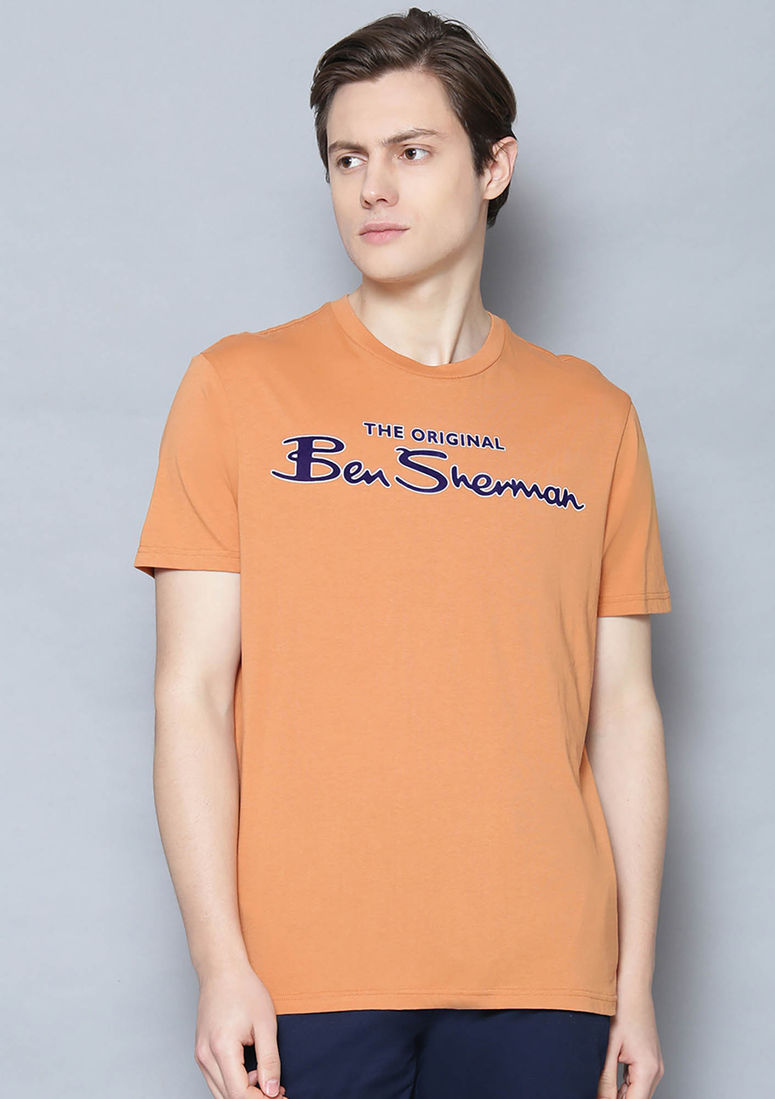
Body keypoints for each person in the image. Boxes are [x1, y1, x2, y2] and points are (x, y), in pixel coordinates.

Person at [133, 8, 671, 1099]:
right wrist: (221, 963)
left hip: (545, 969)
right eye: (347, 159)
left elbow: (624, 711)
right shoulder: (238, 387)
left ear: (492, 167)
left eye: (412, 152)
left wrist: (634, 982)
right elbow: (190, 692)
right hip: (304, 971)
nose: (372, 187)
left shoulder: (593, 415)